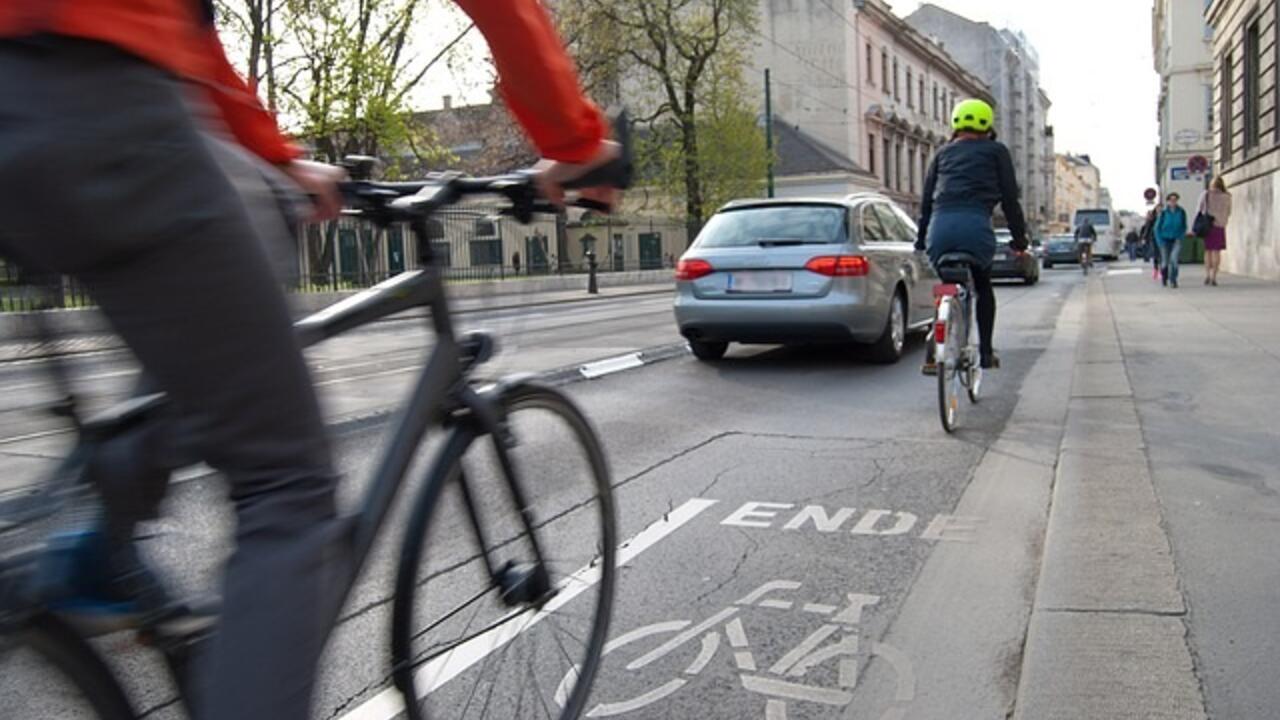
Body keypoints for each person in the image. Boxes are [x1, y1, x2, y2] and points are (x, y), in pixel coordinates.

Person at [0, 1, 620, 719]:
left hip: (37, 99)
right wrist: (575, 140)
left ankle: (106, 537)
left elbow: (188, 32)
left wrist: (275, 158)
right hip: (101, 104)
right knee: (287, 488)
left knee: (250, 251)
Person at [916, 98, 1029, 370]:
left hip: (940, 231)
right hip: (976, 229)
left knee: (945, 286)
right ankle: (987, 353)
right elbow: (1010, 201)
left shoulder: (942, 154)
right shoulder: (996, 151)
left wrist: (921, 241)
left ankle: (935, 345)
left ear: (955, 124)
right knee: (982, 286)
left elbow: (926, 202)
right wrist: (1020, 241)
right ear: (987, 125)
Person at [1197, 176, 1232, 286]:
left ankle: (1207, 274)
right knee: (1216, 251)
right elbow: (1229, 212)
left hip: (1208, 225)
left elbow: (1200, 209)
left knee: (1208, 251)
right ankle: (1214, 277)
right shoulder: (1227, 197)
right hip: (1220, 226)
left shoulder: (1206, 194)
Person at [1154, 192, 1188, 288]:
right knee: (1165, 261)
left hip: (1176, 239)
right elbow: (1157, 228)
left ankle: (1173, 279)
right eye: (1171, 200)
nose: (1173, 202)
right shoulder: (1164, 213)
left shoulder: (1181, 212)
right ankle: (1164, 277)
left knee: (1174, 259)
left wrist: (1181, 237)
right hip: (1164, 240)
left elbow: (1184, 226)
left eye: (1175, 200)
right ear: (1168, 201)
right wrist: (1159, 241)